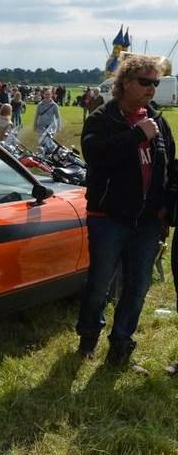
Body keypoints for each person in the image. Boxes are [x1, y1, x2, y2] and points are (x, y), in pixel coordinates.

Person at [76, 54, 175, 368]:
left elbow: (170, 170)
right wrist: (135, 135)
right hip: (108, 218)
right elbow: (95, 155)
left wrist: (166, 211)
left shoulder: (159, 121)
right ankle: (88, 337)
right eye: (145, 82)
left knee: (137, 288)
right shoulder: (102, 118)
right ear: (125, 83)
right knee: (99, 284)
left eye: (155, 83)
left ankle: (120, 346)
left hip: (146, 222)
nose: (151, 89)